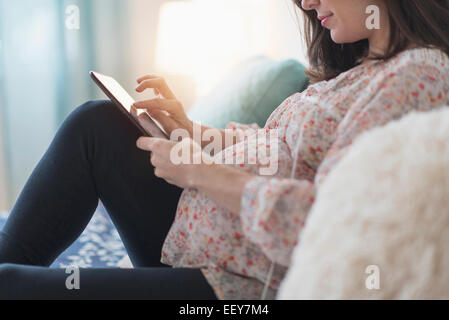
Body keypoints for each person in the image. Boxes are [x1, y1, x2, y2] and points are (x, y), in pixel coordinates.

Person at [2, 0, 449, 300]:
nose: (308, 3)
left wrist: (202, 172)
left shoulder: (418, 77)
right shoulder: (366, 69)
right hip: (206, 236)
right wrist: (192, 131)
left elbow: (333, 224)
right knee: (97, 123)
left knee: (11, 284)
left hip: (237, 285)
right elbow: (281, 149)